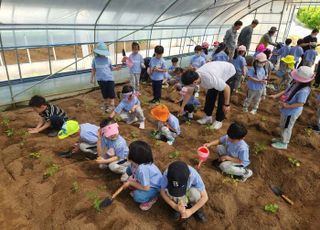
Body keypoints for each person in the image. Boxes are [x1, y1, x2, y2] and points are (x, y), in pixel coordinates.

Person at [269, 66, 314, 150]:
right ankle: (281, 138)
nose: (294, 78)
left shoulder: (303, 90)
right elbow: (286, 91)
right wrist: (275, 96)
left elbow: (300, 104)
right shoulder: (296, 83)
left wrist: (287, 106)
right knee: (283, 125)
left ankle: (284, 143)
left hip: (291, 112)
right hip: (286, 109)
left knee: (287, 127)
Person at [123, 141, 162, 211]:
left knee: (137, 196)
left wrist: (130, 182)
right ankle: (137, 184)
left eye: (129, 152)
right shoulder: (135, 163)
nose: (127, 152)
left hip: (152, 187)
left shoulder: (142, 169)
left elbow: (146, 188)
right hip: (144, 181)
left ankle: (152, 198)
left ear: (135, 157)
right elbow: (129, 171)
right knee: (128, 171)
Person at [196, 62, 236, 129]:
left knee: (222, 98)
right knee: (210, 95)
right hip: (217, 73)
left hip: (229, 73)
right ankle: (208, 117)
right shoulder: (195, 76)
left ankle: (219, 121)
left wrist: (227, 105)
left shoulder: (210, 79)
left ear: (195, 81)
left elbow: (227, 88)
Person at [91, 42, 121, 113]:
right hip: (100, 80)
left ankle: (112, 105)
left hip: (109, 79)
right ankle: (106, 104)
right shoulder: (95, 60)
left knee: (111, 92)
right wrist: (92, 78)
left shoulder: (108, 60)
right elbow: (93, 69)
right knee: (104, 93)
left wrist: (116, 68)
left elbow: (111, 68)